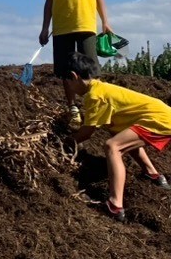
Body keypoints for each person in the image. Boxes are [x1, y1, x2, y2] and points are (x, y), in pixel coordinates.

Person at [68, 52, 171, 222]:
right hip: (163, 116)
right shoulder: (101, 88)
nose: (70, 88)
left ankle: (115, 205)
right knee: (119, 136)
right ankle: (153, 174)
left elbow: (86, 133)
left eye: (69, 83)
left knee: (112, 146)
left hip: (160, 120)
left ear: (74, 76)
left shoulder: (95, 96)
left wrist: (65, 142)